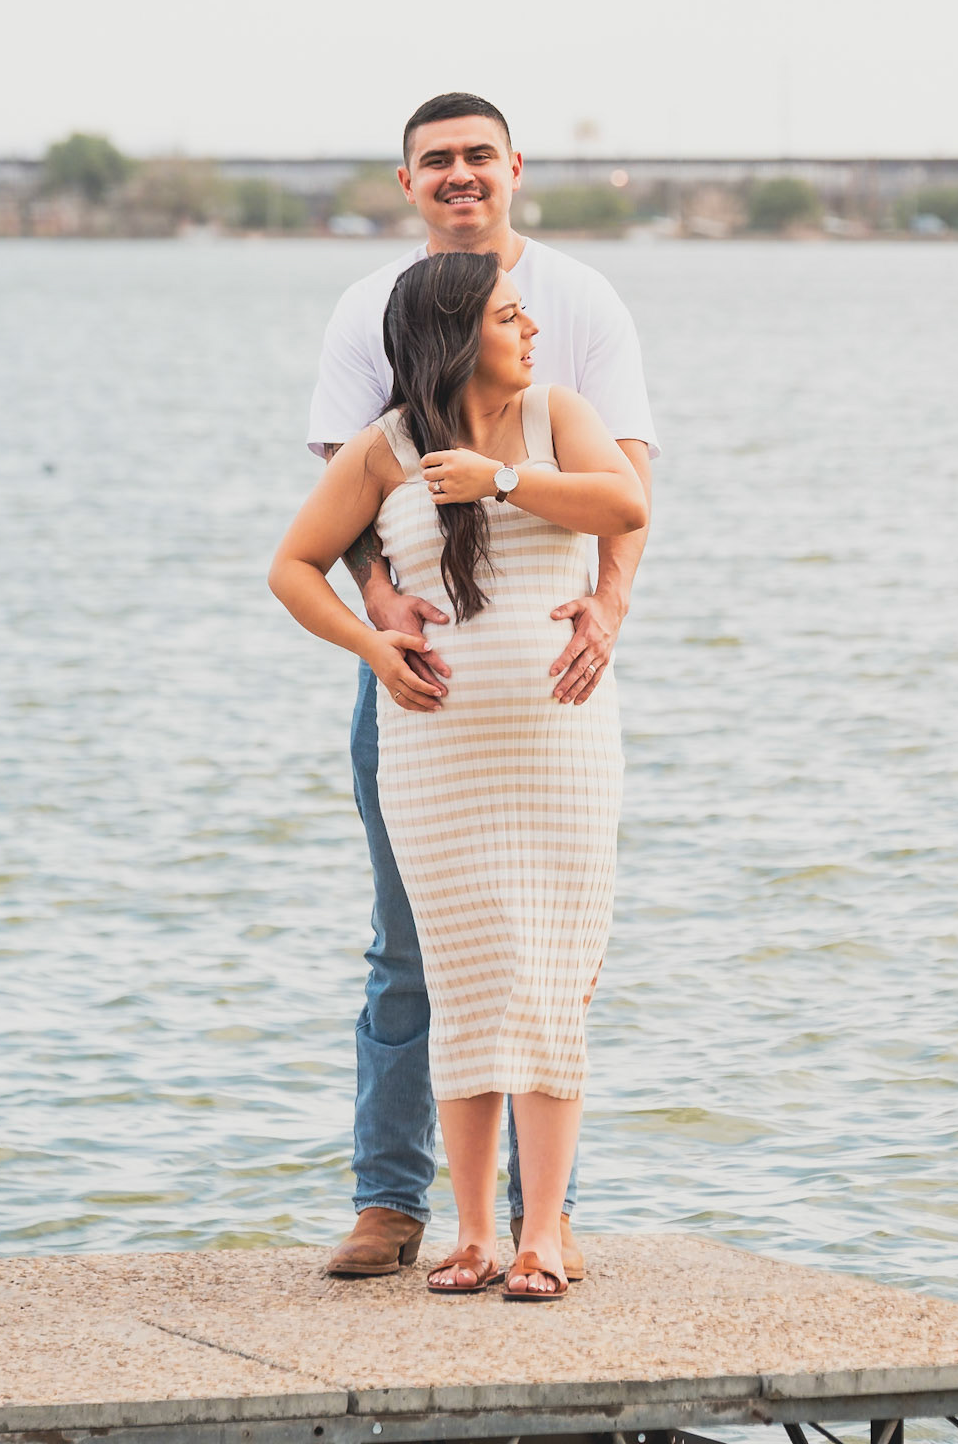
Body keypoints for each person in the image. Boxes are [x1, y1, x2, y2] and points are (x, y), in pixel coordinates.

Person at [303, 93, 657, 1281]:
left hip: (553, 687)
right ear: (407, 180)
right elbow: (348, 496)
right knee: (417, 950)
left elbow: (627, 482)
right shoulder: (374, 308)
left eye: (479, 156)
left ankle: (540, 1222)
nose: (461, 174)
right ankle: (396, 1203)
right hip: (425, 693)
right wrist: (378, 608)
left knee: (553, 958)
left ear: (514, 167)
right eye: (437, 159)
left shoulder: (578, 305)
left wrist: (609, 604)